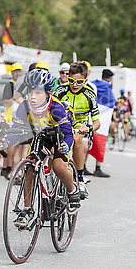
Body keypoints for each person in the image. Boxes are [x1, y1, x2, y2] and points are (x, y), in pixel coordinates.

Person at [0, 69, 80, 227]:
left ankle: (72, 191)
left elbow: (68, 134)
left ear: (48, 92)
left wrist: (65, 146)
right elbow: (17, 131)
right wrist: (7, 142)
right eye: (30, 92)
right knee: (29, 166)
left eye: (38, 92)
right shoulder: (24, 107)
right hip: (41, 137)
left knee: (58, 167)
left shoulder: (56, 107)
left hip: (60, 136)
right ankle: (27, 210)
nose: (33, 96)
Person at [54, 61, 100, 199]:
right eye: (71, 81)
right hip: (63, 122)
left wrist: (89, 127)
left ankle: (80, 179)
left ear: (85, 80)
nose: (74, 85)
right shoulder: (60, 90)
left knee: (76, 138)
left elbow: (97, 122)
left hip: (79, 125)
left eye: (79, 82)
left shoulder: (90, 94)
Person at [87, 69, 115, 177]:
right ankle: (97, 168)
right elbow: (112, 101)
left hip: (90, 116)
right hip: (102, 118)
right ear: (109, 77)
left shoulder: (93, 84)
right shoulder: (108, 87)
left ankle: (83, 166)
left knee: (87, 140)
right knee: (100, 142)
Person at [1, 62, 23, 179]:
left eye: (19, 71)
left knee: (19, 146)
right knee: (12, 145)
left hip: (21, 119)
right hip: (10, 119)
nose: (17, 73)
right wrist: (15, 99)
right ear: (12, 73)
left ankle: (13, 169)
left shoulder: (23, 85)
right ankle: (8, 168)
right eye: (15, 71)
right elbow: (5, 102)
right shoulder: (9, 85)